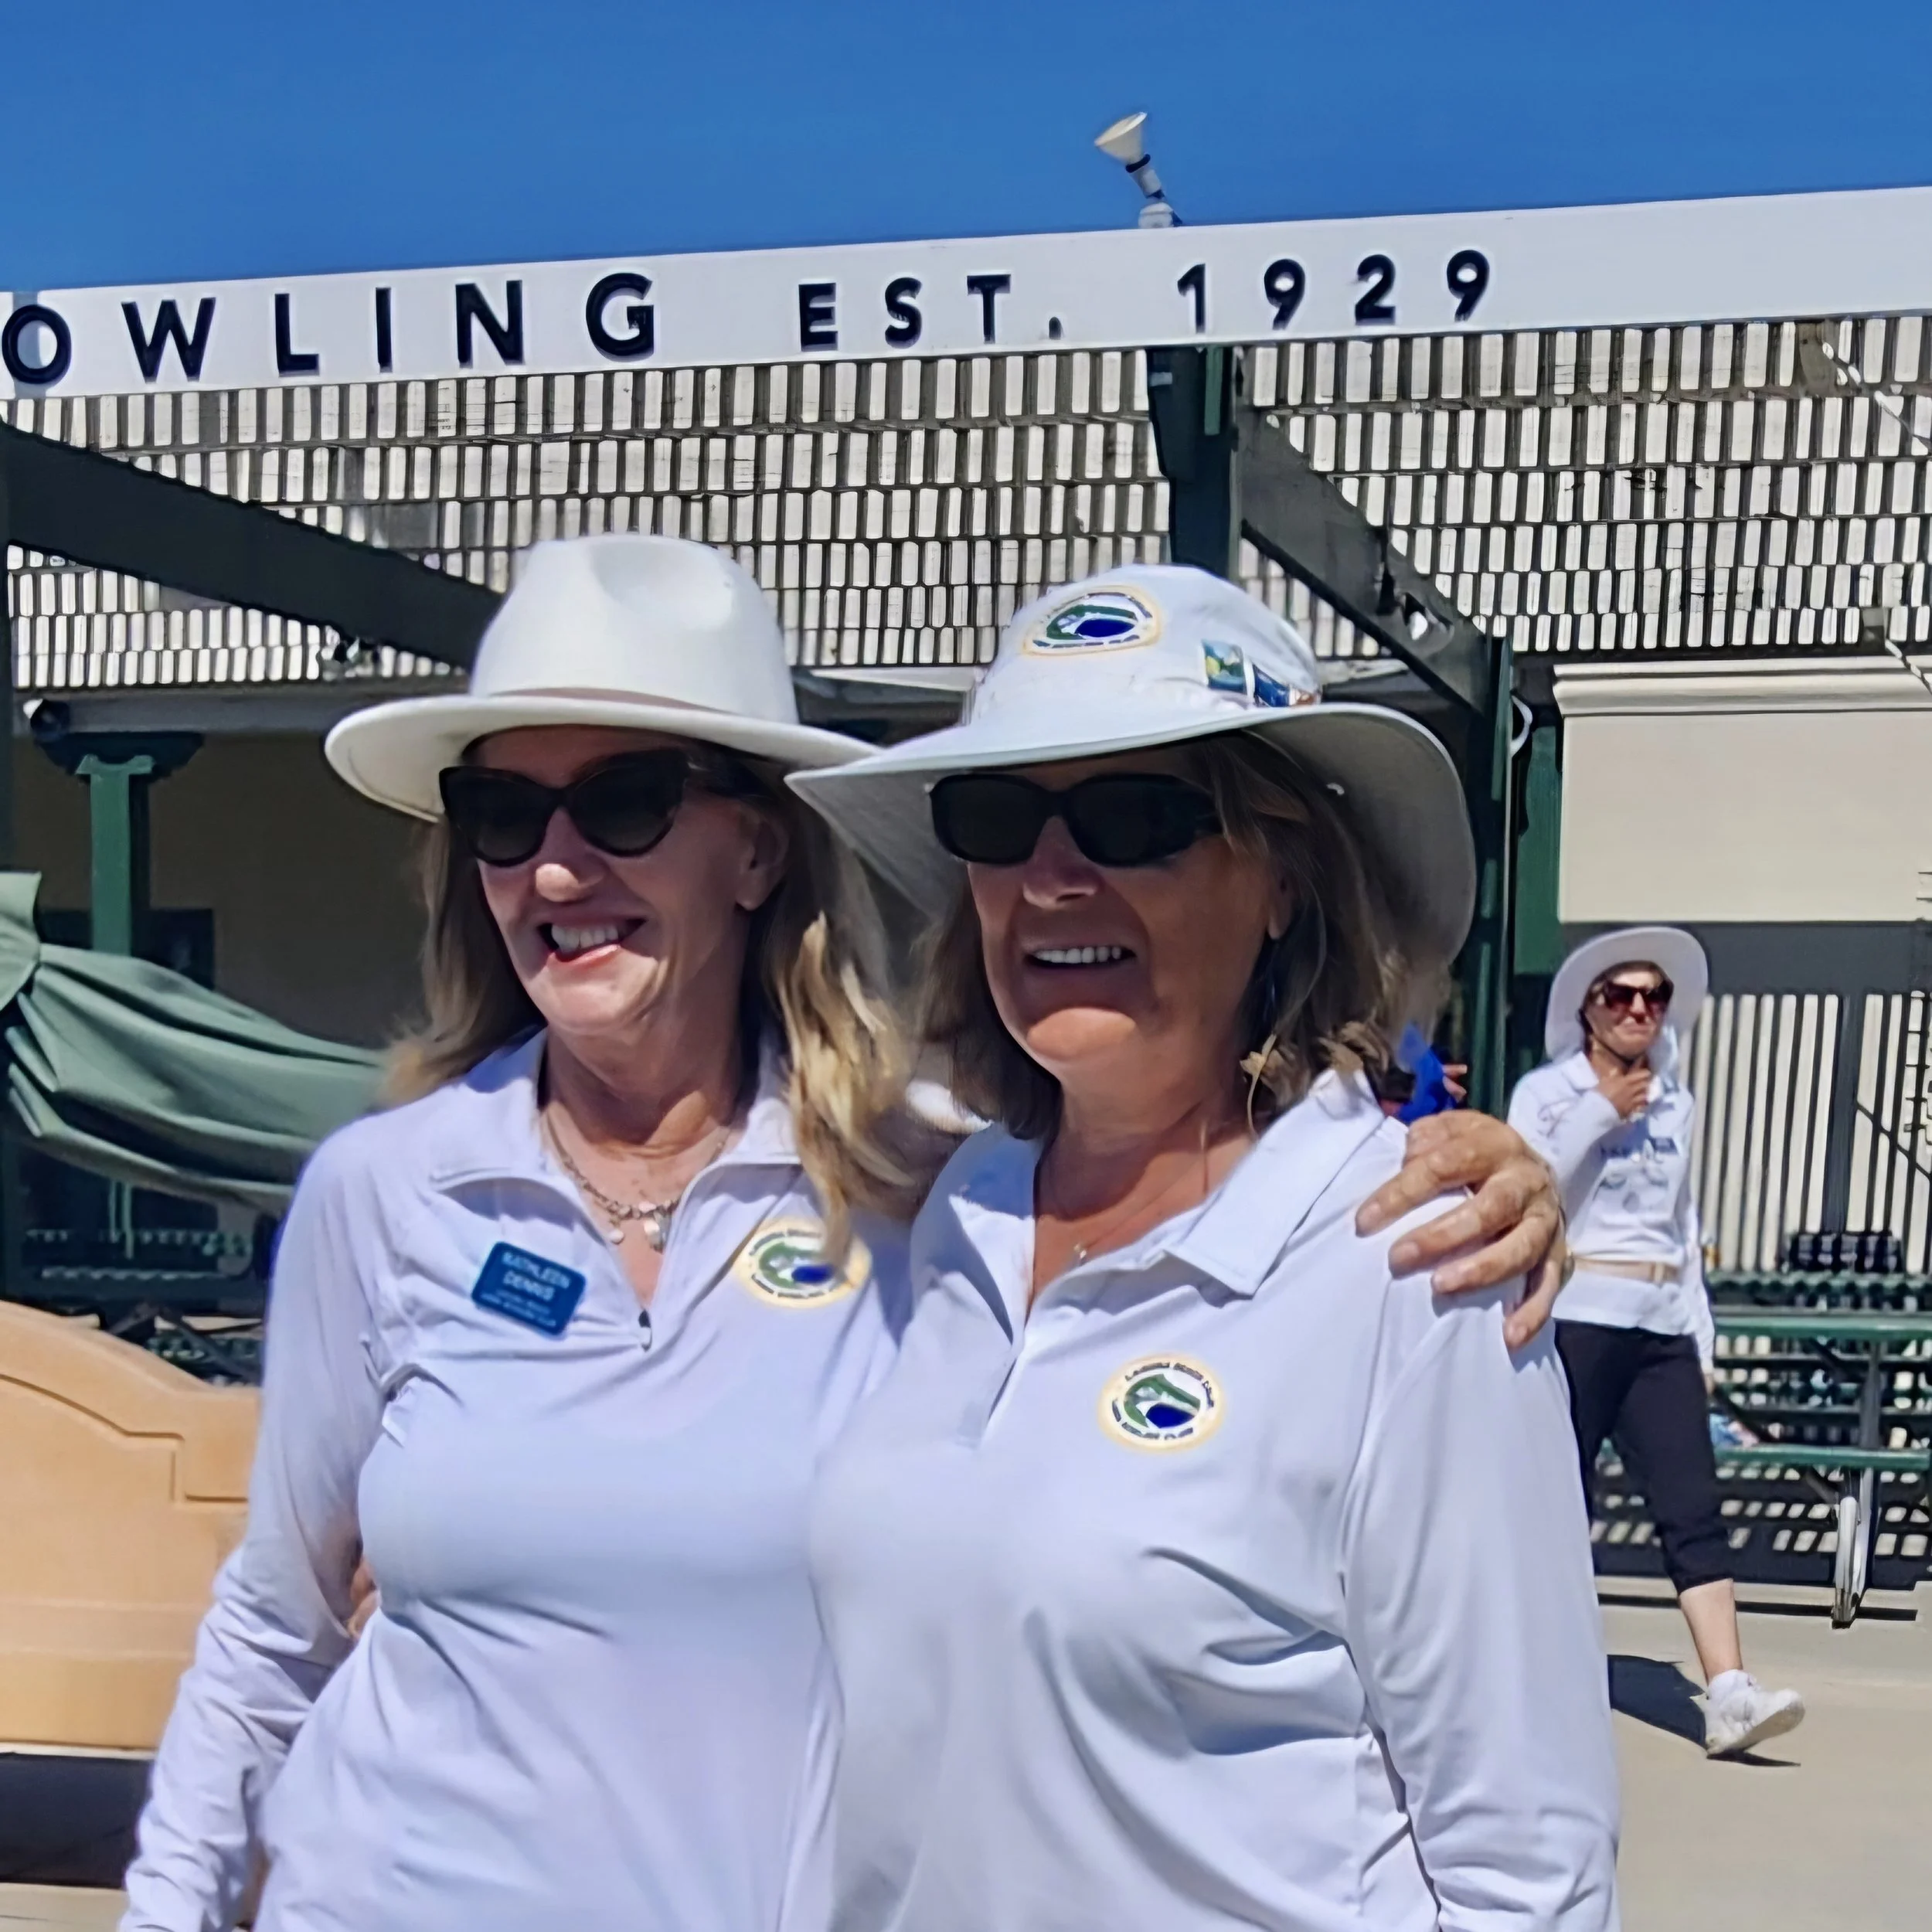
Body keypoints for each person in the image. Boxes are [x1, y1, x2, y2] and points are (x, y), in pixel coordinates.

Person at [121, 537, 1562, 1932]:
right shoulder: (405, 1193)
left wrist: (1512, 1169)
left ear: (755, 851)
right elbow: (275, 1623)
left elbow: (1523, 1849)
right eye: (503, 815)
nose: (556, 868)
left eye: (624, 802)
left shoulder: (911, 1187)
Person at [791, 564, 1618, 1930]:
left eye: (1136, 819)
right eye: (999, 820)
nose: (1053, 878)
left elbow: (1529, 1869)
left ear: (1282, 883)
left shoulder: (1413, 1267)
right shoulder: (956, 1210)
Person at [1510, 930, 1804, 1760]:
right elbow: (1531, 1188)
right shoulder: (1546, 1093)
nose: (1639, 1009)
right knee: (1558, 1505)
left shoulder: (1678, 1101)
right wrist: (1602, 1114)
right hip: (1573, 1311)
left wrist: (1701, 1337)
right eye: (1620, 995)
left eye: (1654, 997)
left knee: (1690, 1503)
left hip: (1659, 1317)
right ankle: (1533, 1676)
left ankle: (1727, 1693)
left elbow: (1685, 1225)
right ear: (1589, 1010)